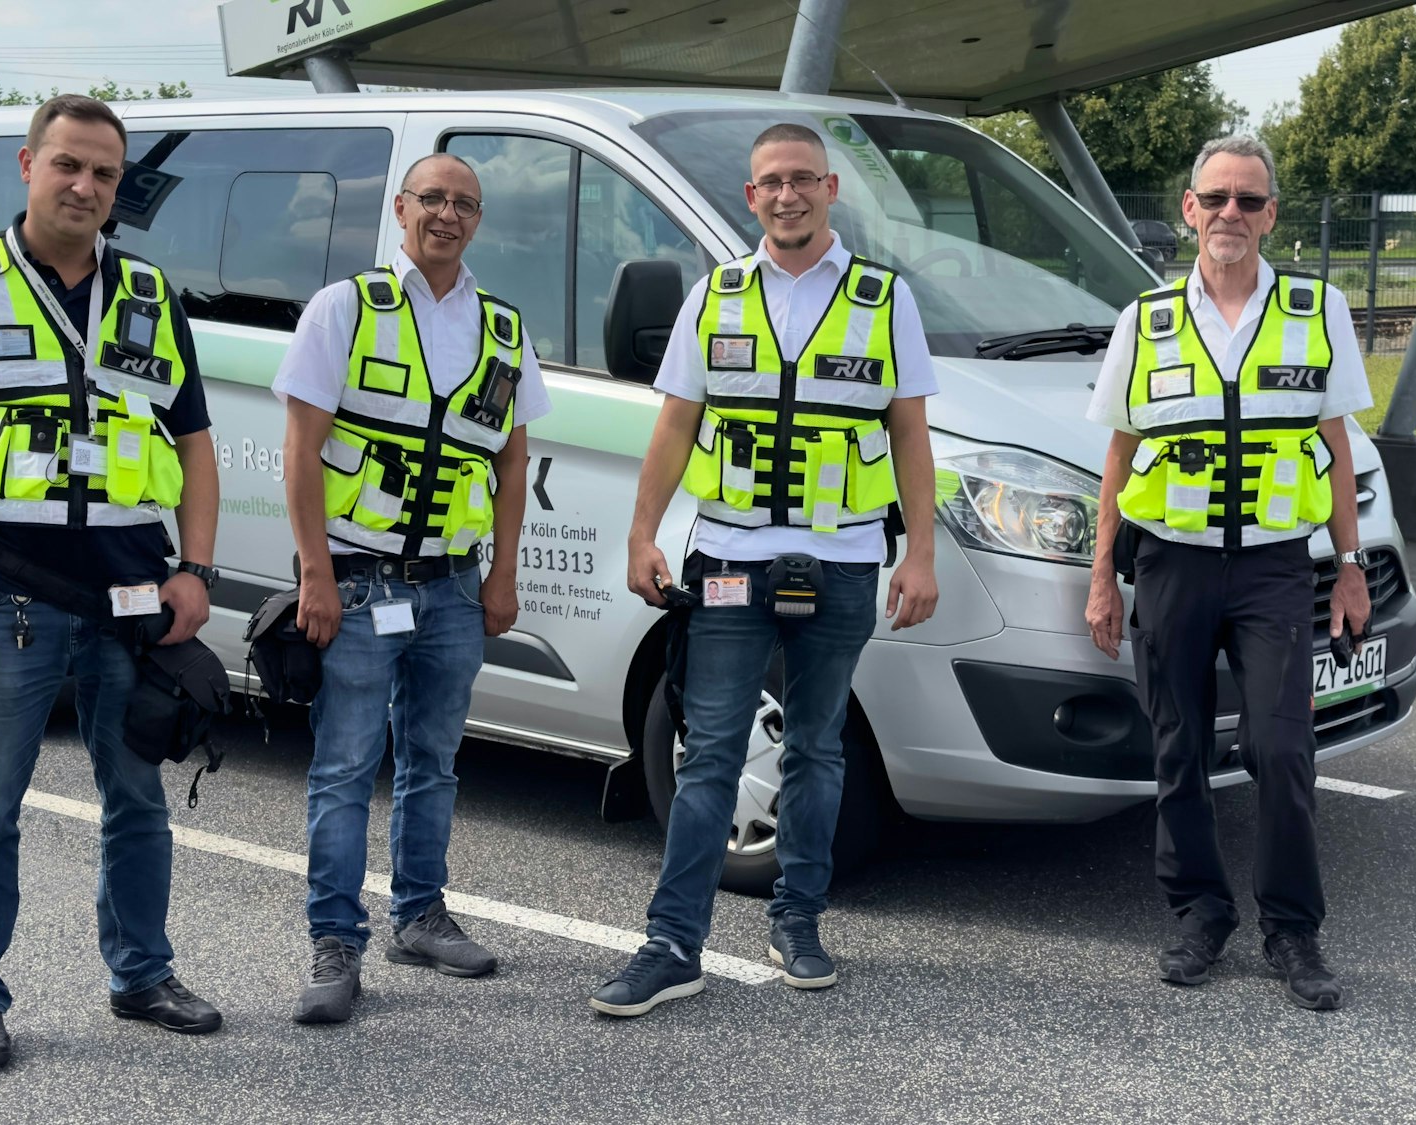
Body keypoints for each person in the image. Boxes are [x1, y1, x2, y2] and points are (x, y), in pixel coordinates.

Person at [0, 95, 224, 1071]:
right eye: (68, 165)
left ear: (120, 187)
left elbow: (194, 449)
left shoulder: (152, 298)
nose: (85, 186)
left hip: (132, 602)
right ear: (27, 164)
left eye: (105, 173)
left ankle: (142, 975)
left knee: (139, 804)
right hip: (7, 597)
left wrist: (194, 572)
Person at [592, 123, 940, 1018]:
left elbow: (908, 431)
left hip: (846, 561)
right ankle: (673, 944)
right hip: (729, 559)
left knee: (817, 751)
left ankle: (799, 920)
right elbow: (673, 425)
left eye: (801, 181)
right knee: (708, 753)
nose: (786, 195)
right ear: (750, 199)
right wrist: (642, 535)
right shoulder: (715, 296)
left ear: (830, 189)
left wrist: (924, 555)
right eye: (769, 184)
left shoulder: (883, 298)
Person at [1083, 134, 1373, 1011]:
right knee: (1178, 747)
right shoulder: (1146, 320)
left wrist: (1352, 566)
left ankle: (1292, 928)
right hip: (1171, 562)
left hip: (1275, 569)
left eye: (1249, 200)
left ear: (1272, 214)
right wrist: (1102, 572)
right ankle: (1198, 914)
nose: (1231, 215)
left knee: (1282, 746)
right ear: (1189, 209)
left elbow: (1337, 446)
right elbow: (1119, 456)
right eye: (1217, 199)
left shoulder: (1319, 311)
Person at [274, 152, 549, 1024]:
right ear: (401, 209)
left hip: (452, 588)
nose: (448, 214)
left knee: (433, 761)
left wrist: (503, 572)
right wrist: (315, 572)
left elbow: (512, 459)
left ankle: (420, 915)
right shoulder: (346, 309)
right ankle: (336, 942)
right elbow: (301, 451)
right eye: (432, 198)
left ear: (478, 219)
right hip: (355, 582)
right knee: (346, 765)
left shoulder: (503, 327)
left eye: (465, 203)